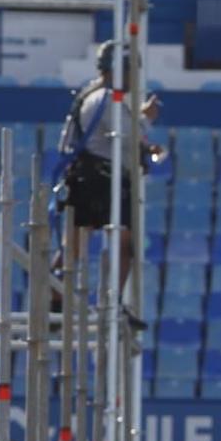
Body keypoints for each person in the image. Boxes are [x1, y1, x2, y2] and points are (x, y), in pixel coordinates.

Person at [57, 39, 159, 293]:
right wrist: (146, 118)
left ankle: (58, 298)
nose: (135, 77)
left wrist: (144, 149)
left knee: (77, 247)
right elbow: (124, 133)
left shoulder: (93, 96)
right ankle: (105, 302)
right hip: (99, 180)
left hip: (92, 178)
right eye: (131, 70)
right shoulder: (103, 99)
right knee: (119, 244)